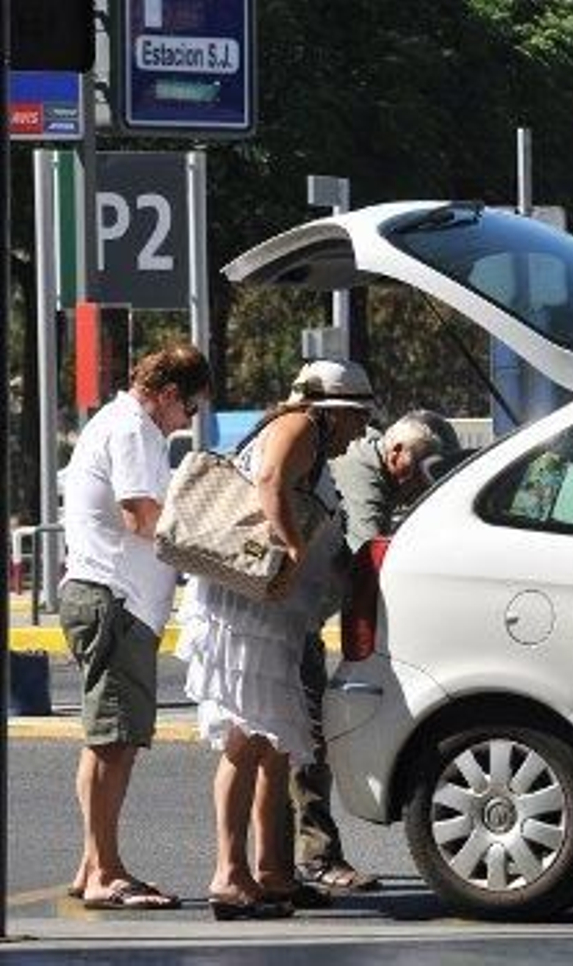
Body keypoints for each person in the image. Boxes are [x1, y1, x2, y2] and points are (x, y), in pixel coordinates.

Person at [176, 360, 374, 920]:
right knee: (246, 742)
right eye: (357, 417)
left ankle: (272, 873)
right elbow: (269, 483)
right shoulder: (301, 425)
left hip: (273, 615)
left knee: (274, 745)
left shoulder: (312, 437)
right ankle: (229, 876)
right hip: (249, 613)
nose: (360, 431)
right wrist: (291, 548)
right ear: (335, 411)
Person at [61, 342, 212, 911]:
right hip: (115, 600)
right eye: (190, 409)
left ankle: (91, 865)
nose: (188, 421)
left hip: (113, 600)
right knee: (113, 743)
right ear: (169, 394)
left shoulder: (123, 425)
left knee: (107, 740)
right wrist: (208, 541)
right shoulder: (133, 432)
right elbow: (141, 516)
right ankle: (107, 873)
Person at [290, 410, 460, 895]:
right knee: (306, 740)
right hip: (287, 620)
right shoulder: (365, 471)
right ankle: (314, 858)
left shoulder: (372, 463)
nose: (420, 483)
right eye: (422, 468)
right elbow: (370, 561)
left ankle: (278, 866)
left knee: (289, 742)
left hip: (294, 618)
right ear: (398, 452)